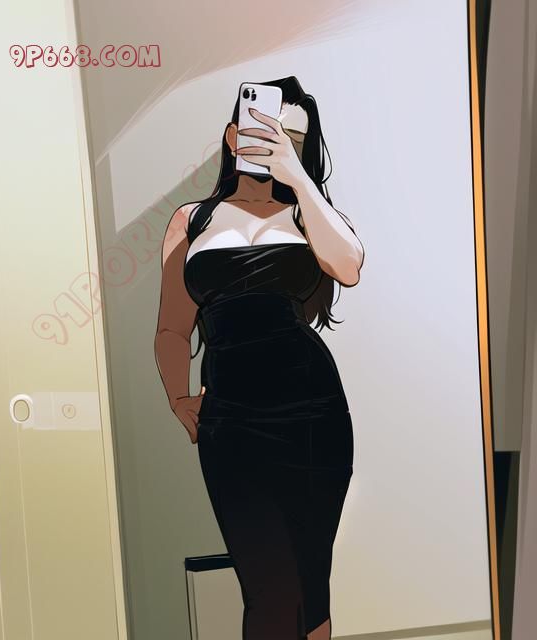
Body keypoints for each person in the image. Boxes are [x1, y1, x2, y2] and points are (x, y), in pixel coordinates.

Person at [154, 76, 365, 640]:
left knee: (310, 589)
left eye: (292, 137)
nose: (276, 142)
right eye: (266, 128)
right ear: (233, 135)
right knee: (269, 592)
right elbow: (172, 328)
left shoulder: (307, 215)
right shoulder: (192, 220)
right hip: (231, 421)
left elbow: (349, 266)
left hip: (314, 416)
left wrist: (298, 179)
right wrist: (177, 396)